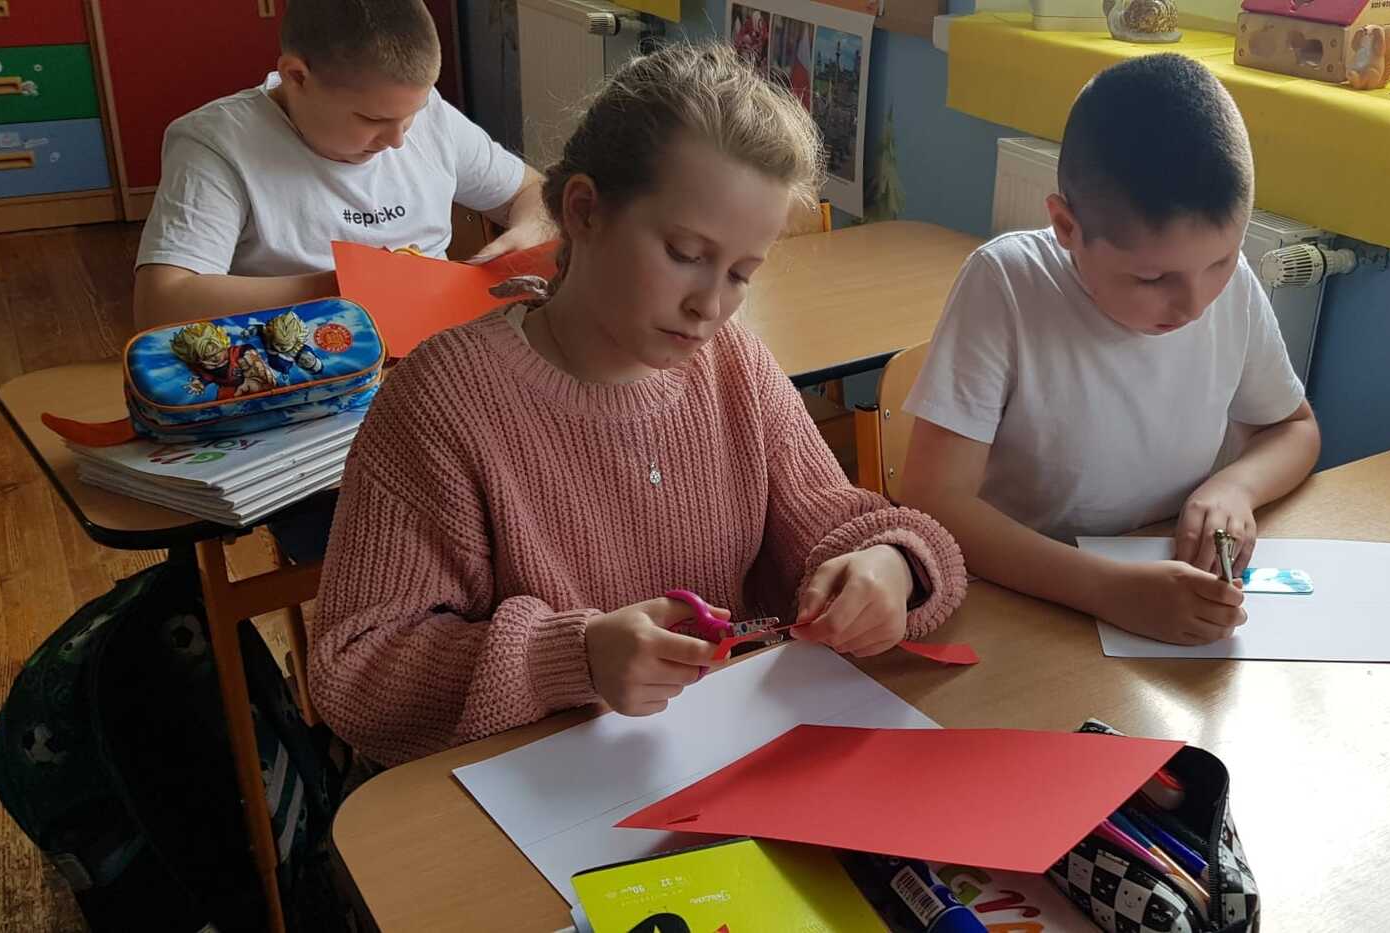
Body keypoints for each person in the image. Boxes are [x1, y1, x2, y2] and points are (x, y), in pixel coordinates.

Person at [309, 45, 966, 766]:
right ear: (584, 211)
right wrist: (572, 657)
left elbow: (837, 523)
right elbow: (358, 673)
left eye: (742, 273)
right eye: (685, 253)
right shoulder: (442, 402)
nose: (710, 305)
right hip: (536, 790)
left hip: (716, 764)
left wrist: (889, 566)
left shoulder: (734, 365)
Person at [898, 54, 1321, 646]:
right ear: (1067, 228)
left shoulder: (1230, 289)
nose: (1194, 304)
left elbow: (1293, 429)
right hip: (1024, 605)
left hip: (1158, 594)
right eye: (1153, 279)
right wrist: (1107, 589)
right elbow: (934, 500)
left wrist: (1234, 487)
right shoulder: (1007, 285)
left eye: (1221, 261)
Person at [132, 0, 549, 331]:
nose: (397, 140)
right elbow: (160, 304)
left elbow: (532, 192)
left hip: (433, 349)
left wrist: (529, 231)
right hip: (304, 364)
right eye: (371, 119)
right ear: (296, 77)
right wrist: (343, 286)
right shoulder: (217, 143)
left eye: (412, 114)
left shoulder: (432, 118)